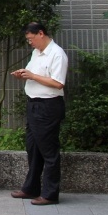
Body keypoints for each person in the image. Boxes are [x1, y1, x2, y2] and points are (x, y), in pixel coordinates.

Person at [10, 21, 68, 205]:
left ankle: (50, 194)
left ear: (41, 33)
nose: (30, 43)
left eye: (31, 39)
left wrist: (33, 76)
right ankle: (31, 188)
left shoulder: (57, 54)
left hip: (48, 106)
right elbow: (35, 75)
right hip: (34, 104)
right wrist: (24, 74)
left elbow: (58, 83)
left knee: (49, 151)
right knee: (33, 148)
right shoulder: (37, 53)